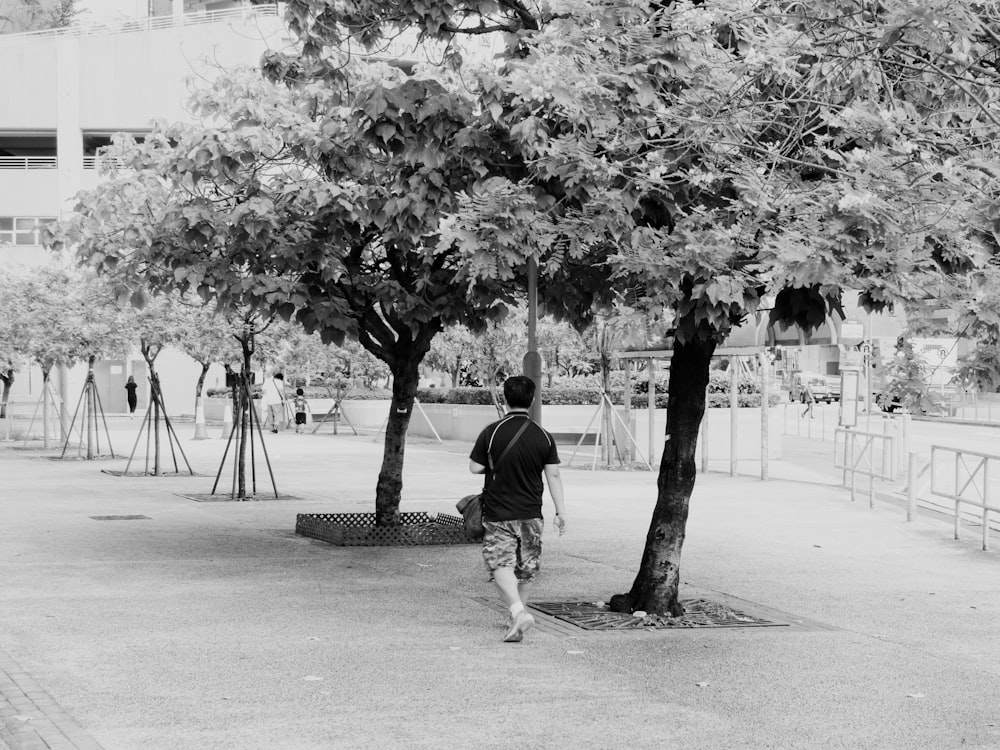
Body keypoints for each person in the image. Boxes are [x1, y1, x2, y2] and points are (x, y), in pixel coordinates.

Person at [469, 376, 566, 643]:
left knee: (500, 564)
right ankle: (518, 618)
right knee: (527, 568)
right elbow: (553, 476)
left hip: (499, 512)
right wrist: (561, 512)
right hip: (531, 513)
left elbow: (475, 468)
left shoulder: (491, 432)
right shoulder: (543, 436)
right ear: (532, 400)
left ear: (505, 398)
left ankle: (517, 612)